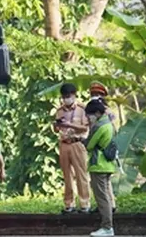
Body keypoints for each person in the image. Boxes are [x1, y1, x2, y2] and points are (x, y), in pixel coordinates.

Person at [53, 83, 91, 213]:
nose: (65, 99)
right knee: (67, 175)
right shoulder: (59, 111)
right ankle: (69, 204)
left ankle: (85, 203)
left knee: (81, 174)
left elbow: (85, 127)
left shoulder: (82, 109)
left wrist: (70, 125)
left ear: (74, 95)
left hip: (77, 143)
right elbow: (56, 129)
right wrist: (57, 126)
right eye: (63, 97)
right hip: (64, 144)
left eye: (68, 96)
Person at [85, 100, 116, 237]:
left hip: (99, 165)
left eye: (90, 115)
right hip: (108, 164)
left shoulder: (99, 126)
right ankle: (107, 226)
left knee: (102, 198)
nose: (89, 118)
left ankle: (107, 227)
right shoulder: (110, 123)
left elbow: (90, 145)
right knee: (106, 197)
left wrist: (80, 139)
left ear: (97, 113)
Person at [89, 82, 117, 214]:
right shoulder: (91, 110)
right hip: (98, 147)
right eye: (93, 94)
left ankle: (109, 206)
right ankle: (107, 206)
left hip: (103, 149)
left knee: (104, 183)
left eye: (98, 94)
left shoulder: (107, 113)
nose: (95, 96)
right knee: (103, 184)